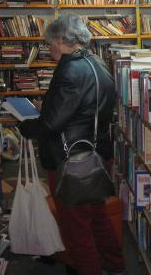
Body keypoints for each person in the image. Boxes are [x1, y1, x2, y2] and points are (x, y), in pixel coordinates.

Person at [18, 14, 125, 275]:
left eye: (50, 43)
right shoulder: (96, 63)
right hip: (97, 154)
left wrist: (25, 126)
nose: (49, 48)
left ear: (61, 39)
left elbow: (51, 125)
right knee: (98, 218)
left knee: (76, 228)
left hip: (71, 160)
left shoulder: (68, 70)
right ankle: (116, 266)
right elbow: (86, 107)